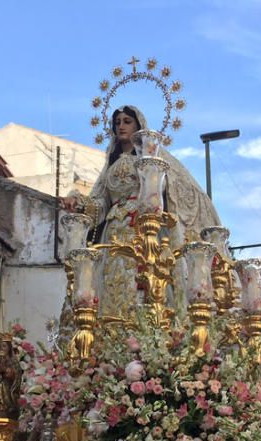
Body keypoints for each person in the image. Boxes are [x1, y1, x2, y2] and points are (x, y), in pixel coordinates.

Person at [60, 106, 221, 319]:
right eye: (117, 122)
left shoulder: (151, 156)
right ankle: (113, 326)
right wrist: (79, 202)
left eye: (127, 121)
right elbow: (101, 204)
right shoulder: (112, 164)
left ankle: (148, 325)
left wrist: (150, 191)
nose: (121, 126)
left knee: (144, 275)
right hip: (114, 231)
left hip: (143, 227)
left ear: (138, 125)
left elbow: (170, 186)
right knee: (112, 280)